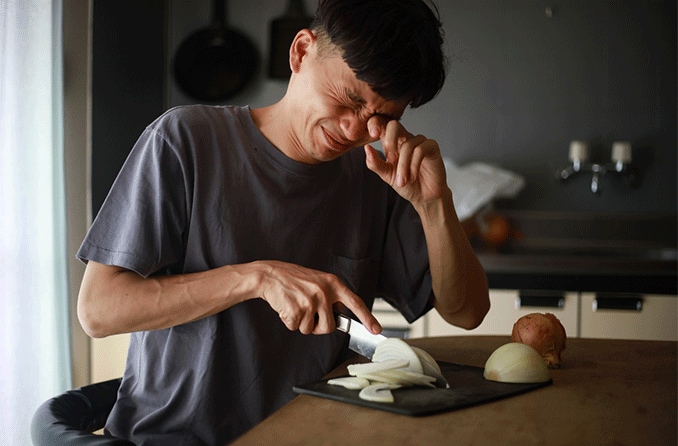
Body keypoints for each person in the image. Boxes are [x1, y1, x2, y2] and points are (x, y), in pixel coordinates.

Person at [76, 0, 490, 444]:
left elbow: (466, 312)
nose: (355, 130)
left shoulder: (372, 179)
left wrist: (433, 204)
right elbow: (98, 310)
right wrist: (257, 277)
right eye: (349, 99)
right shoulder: (184, 141)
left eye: (382, 117)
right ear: (300, 52)